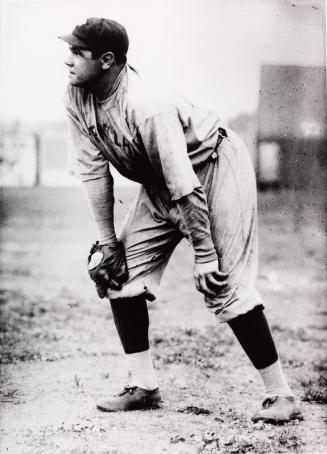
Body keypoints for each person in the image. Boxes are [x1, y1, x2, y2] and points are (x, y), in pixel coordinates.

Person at [59, 17, 302, 423]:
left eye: (77, 53)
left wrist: (204, 253)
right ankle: (144, 385)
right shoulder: (76, 94)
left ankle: (282, 395)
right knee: (116, 273)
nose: (67, 61)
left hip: (212, 168)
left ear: (106, 60)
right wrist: (107, 243)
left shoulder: (146, 104)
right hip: (162, 181)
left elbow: (185, 186)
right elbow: (93, 171)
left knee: (222, 282)